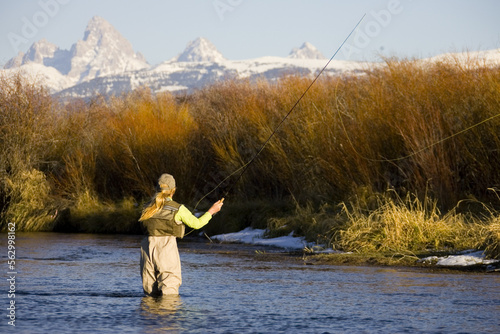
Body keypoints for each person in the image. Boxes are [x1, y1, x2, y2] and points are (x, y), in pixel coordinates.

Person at [139, 173, 224, 296]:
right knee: (169, 292)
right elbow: (197, 224)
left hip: (146, 248)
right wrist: (211, 211)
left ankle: (149, 315)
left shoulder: (146, 207)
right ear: (173, 190)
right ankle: (166, 315)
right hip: (166, 248)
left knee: (150, 293)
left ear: (157, 189)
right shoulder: (178, 209)